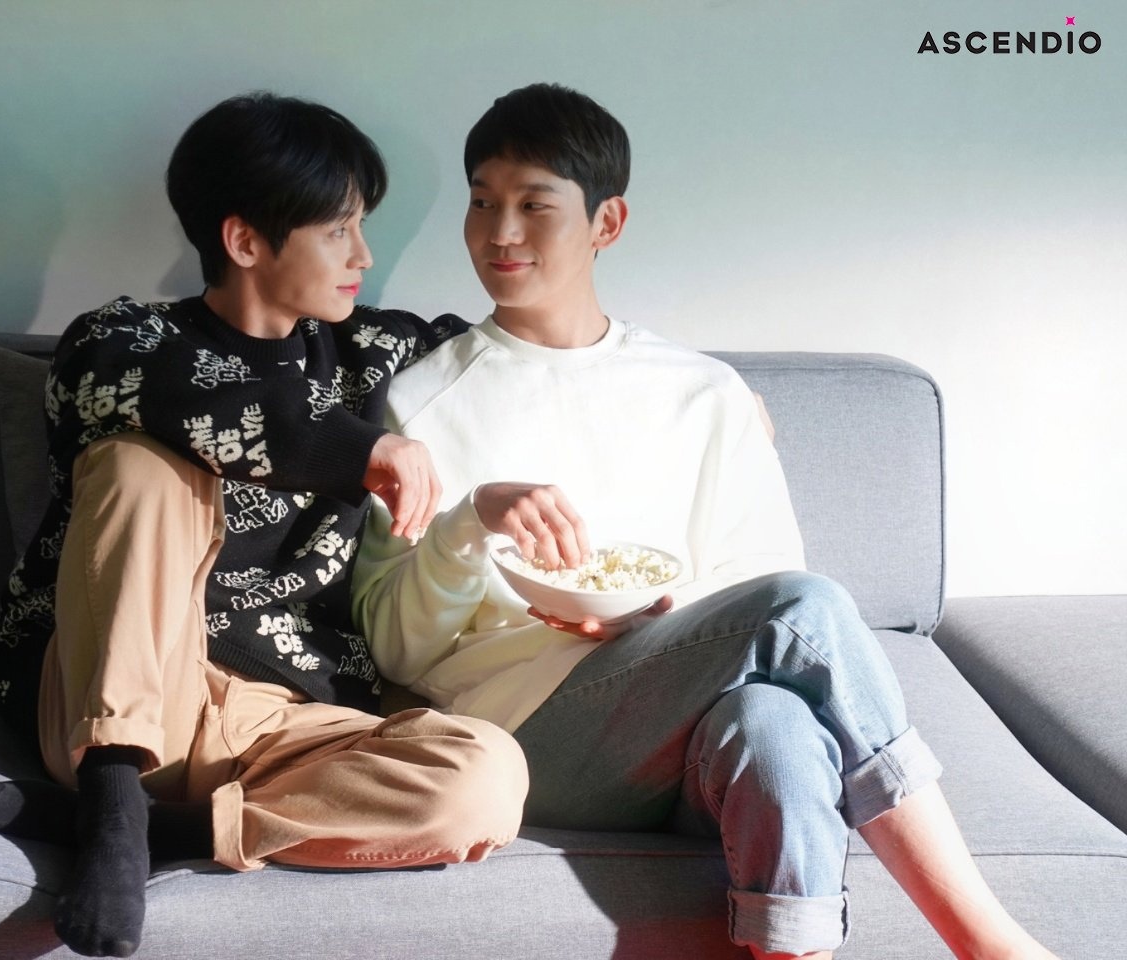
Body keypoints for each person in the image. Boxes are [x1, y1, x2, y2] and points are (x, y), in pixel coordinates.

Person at [353, 82, 1057, 960]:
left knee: (777, 728)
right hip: (529, 733)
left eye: (534, 206)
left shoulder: (703, 392)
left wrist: (659, 618)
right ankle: (989, 943)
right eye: (482, 202)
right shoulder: (423, 402)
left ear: (607, 223)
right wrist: (471, 520)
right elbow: (396, 650)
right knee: (805, 609)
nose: (500, 233)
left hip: (688, 726)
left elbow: (756, 579)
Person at [0, 92, 528, 959]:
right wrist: (364, 449)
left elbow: (520, 352)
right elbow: (199, 402)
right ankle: (112, 794)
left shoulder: (375, 352)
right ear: (244, 242)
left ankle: (153, 831)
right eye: (338, 230)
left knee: (486, 776)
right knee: (137, 465)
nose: (364, 255)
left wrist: (696, 388)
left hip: (284, 724)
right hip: (112, 686)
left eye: (362, 227)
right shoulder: (120, 341)